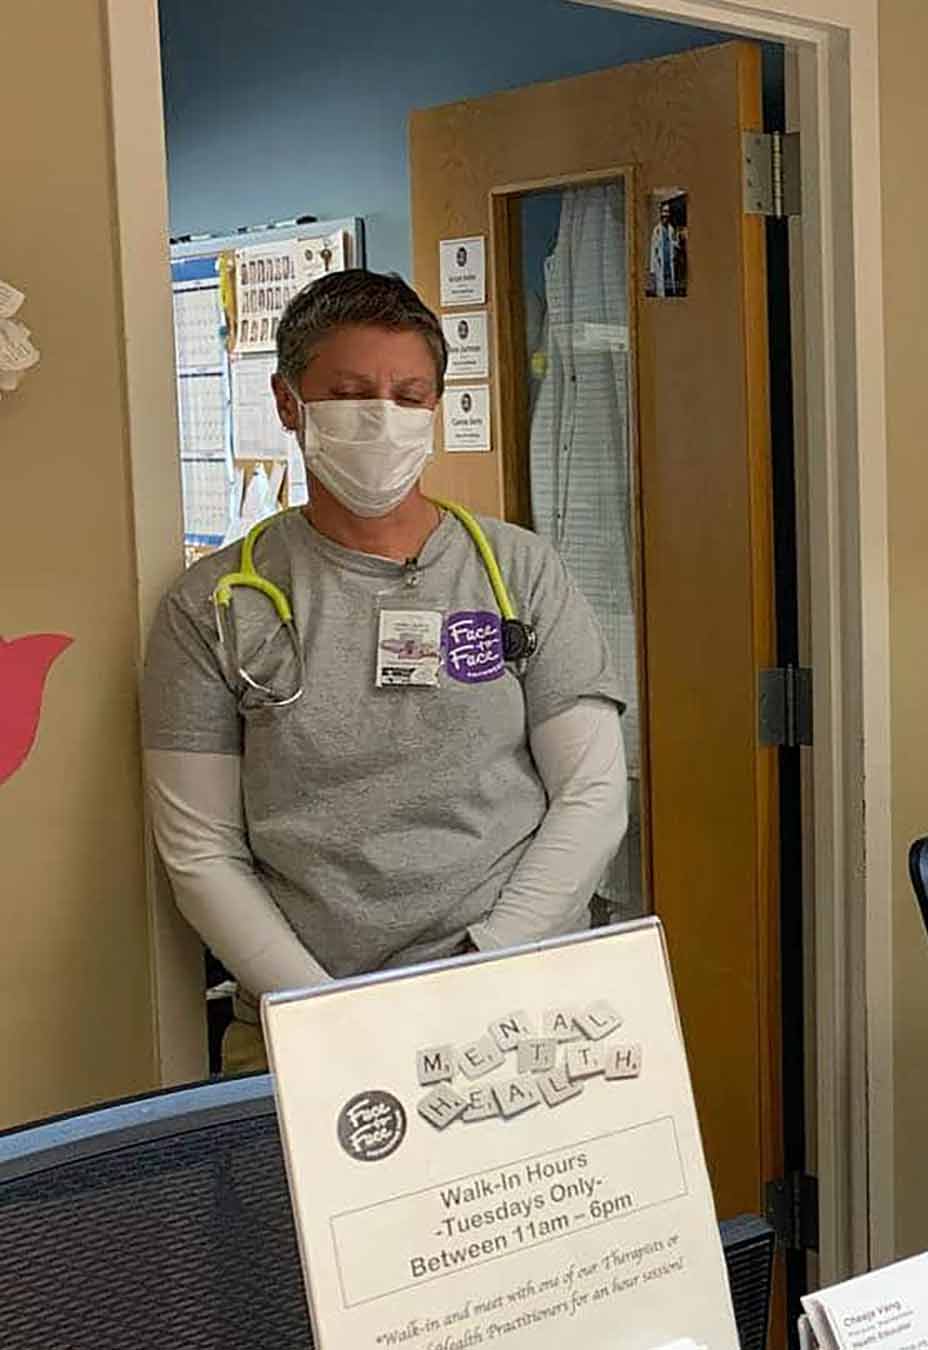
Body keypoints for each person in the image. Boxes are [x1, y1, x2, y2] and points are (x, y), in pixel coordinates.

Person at [141, 270, 627, 1073]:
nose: (384, 417)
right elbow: (201, 850)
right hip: (308, 1023)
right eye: (353, 391)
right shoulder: (214, 606)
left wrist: (481, 965)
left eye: (410, 395)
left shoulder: (516, 571)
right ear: (290, 401)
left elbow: (593, 793)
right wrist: (326, 1013)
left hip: (517, 1001)